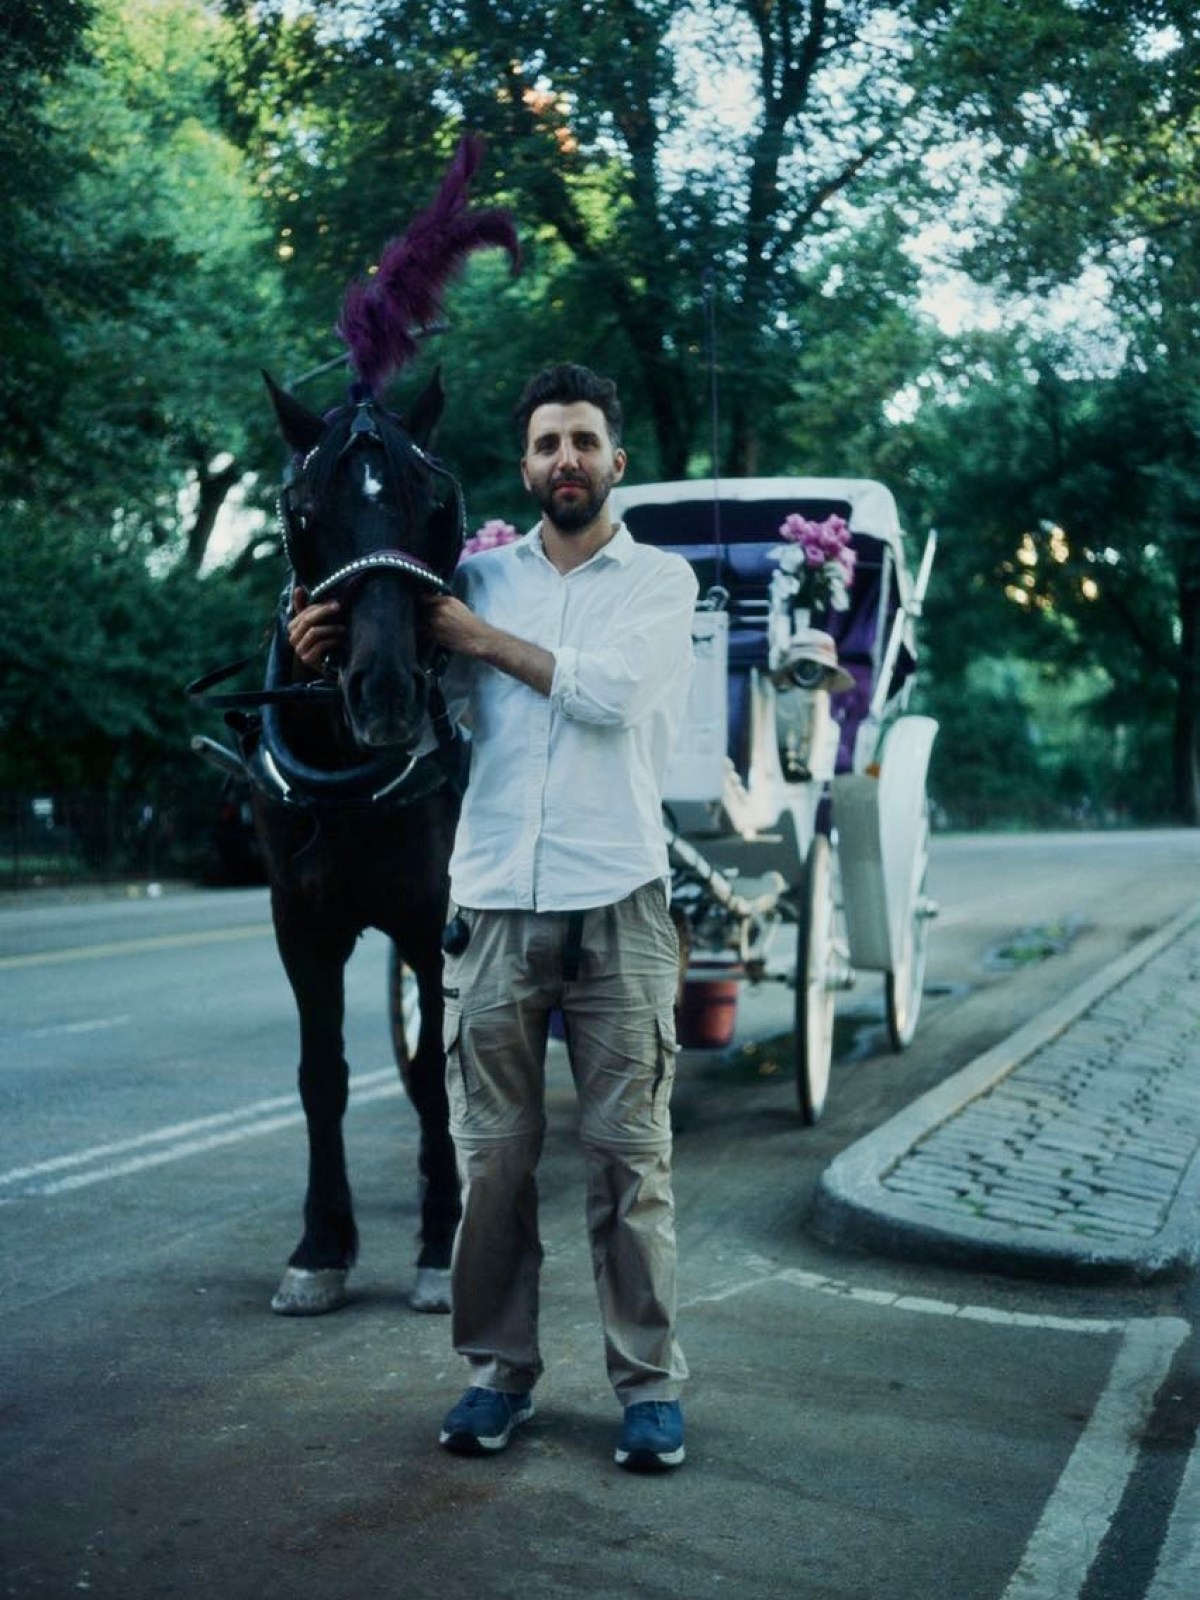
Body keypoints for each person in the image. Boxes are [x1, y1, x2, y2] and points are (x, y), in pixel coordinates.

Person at [291, 363, 697, 1471]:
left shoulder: (661, 583)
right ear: (523, 466)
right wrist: (323, 655)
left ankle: (649, 1386)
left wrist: (472, 639)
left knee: (629, 1161)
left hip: (619, 905)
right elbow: (413, 727)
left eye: (583, 441)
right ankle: (497, 1374)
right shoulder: (468, 580)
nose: (565, 459)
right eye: (545, 444)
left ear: (616, 460)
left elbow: (610, 694)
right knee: (495, 1165)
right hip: (494, 916)